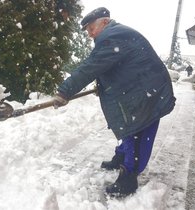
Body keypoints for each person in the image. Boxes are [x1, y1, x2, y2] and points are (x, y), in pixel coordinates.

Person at [53, 7, 176, 196]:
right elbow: (113, 66)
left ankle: (128, 177)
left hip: (147, 94)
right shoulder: (116, 34)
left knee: (135, 129)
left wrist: (64, 91)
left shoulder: (113, 36)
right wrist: (101, 86)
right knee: (128, 124)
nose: (89, 34)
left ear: (104, 22)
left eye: (91, 28)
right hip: (142, 89)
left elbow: (91, 66)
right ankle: (121, 156)